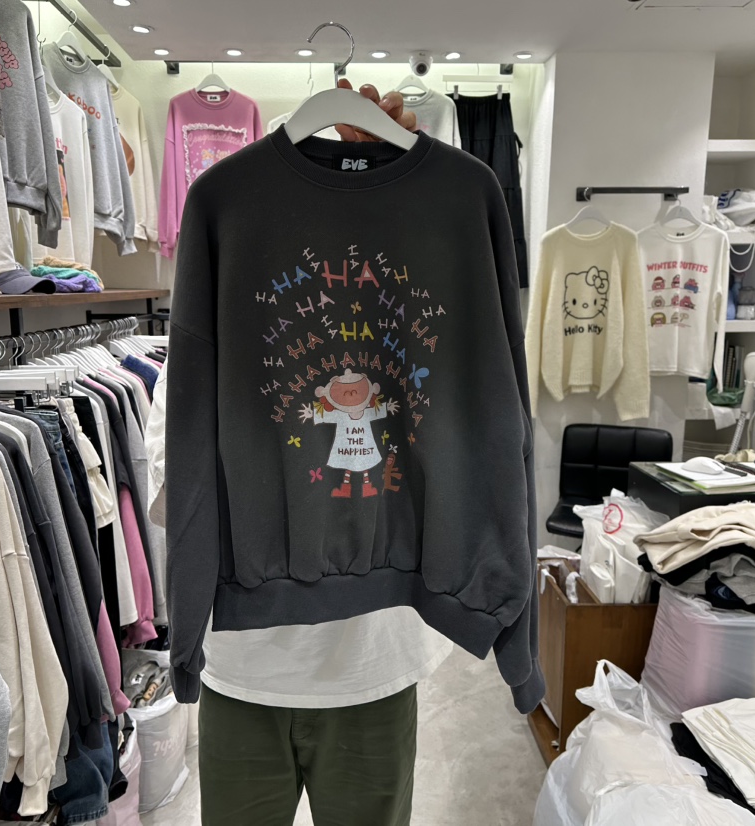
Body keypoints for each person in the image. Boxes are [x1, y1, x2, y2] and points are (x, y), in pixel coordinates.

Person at [146, 82, 454, 826]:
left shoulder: (422, 254)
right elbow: (171, 479)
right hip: (243, 666)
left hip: (374, 661)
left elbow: (464, 429)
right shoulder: (228, 247)